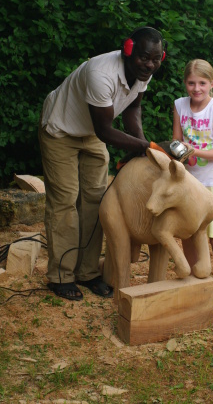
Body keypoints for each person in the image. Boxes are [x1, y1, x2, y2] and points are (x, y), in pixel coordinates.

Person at [38, 26, 167, 301]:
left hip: (90, 133)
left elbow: (133, 107)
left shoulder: (144, 74)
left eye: (156, 59)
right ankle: (61, 276)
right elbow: (105, 131)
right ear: (128, 50)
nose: (150, 64)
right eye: (144, 57)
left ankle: (86, 272)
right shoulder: (101, 73)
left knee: (96, 201)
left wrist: (141, 144)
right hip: (60, 130)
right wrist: (145, 146)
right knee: (65, 202)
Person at [173, 59, 213, 318]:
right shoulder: (179, 105)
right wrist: (176, 152)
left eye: (202, 83)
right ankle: (195, 287)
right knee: (188, 234)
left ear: (211, 83)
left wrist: (193, 150)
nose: (196, 88)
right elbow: (177, 140)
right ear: (185, 83)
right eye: (191, 83)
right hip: (190, 183)